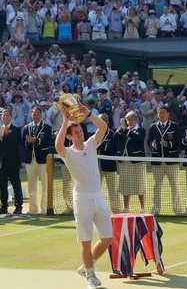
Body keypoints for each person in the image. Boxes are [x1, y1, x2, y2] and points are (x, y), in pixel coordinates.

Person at [54, 101, 111, 289]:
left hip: (98, 197)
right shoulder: (68, 152)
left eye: (81, 132)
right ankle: (90, 276)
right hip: (82, 200)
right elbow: (58, 146)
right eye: (76, 133)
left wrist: (89, 114)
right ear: (70, 136)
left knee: (107, 239)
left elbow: (103, 127)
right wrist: (65, 121)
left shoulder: (91, 144)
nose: (80, 134)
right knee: (85, 242)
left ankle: (86, 266)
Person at [148, 106, 182, 215]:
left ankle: (178, 210)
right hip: (157, 162)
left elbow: (179, 143)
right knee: (157, 186)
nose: (161, 115)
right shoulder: (153, 127)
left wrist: (168, 144)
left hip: (171, 161)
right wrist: (152, 145)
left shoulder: (175, 126)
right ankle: (156, 209)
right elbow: (149, 142)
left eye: (163, 113)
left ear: (168, 114)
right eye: (159, 113)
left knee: (175, 185)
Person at [114, 111, 147, 212]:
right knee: (125, 185)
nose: (130, 122)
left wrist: (125, 130)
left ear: (136, 120)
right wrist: (121, 129)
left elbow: (136, 137)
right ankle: (126, 208)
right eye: (128, 120)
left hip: (137, 161)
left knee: (139, 184)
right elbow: (115, 137)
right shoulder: (122, 129)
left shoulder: (141, 130)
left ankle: (142, 207)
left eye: (132, 119)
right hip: (124, 161)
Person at [0, 108, 24, 215]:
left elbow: (18, 143)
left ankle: (18, 206)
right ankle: (4, 206)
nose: (5, 117)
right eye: (3, 115)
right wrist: (1, 137)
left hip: (13, 161)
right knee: (2, 185)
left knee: (16, 184)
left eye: (7, 115)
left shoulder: (16, 129)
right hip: (1, 162)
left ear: (10, 117)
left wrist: (9, 134)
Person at [23, 106, 52, 215]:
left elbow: (47, 141)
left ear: (41, 115)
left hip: (42, 160)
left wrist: (37, 140)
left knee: (45, 184)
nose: (35, 116)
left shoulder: (47, 127)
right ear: (31, 114)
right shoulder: (26, 127)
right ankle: (33, 209)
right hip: (30, 160)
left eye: (37, 114)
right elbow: (23, 143)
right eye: (34, 114)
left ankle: (44, 208)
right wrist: (28, 141)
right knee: (32, 185)